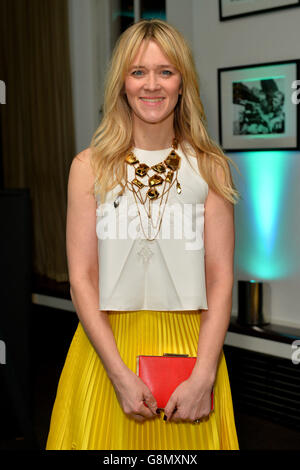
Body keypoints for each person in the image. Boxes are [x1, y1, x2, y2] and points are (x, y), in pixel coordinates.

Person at [46, 19, 239, 451]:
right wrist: (118, 373)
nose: (152, 85)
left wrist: (204, 375)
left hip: (191, 355)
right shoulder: (88, 168)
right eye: (138, 72)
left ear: (183, 83)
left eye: (165, 71)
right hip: (105, 354)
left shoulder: (210, 167)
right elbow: (82, 278)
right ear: (122, 83)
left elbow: (220, 277)